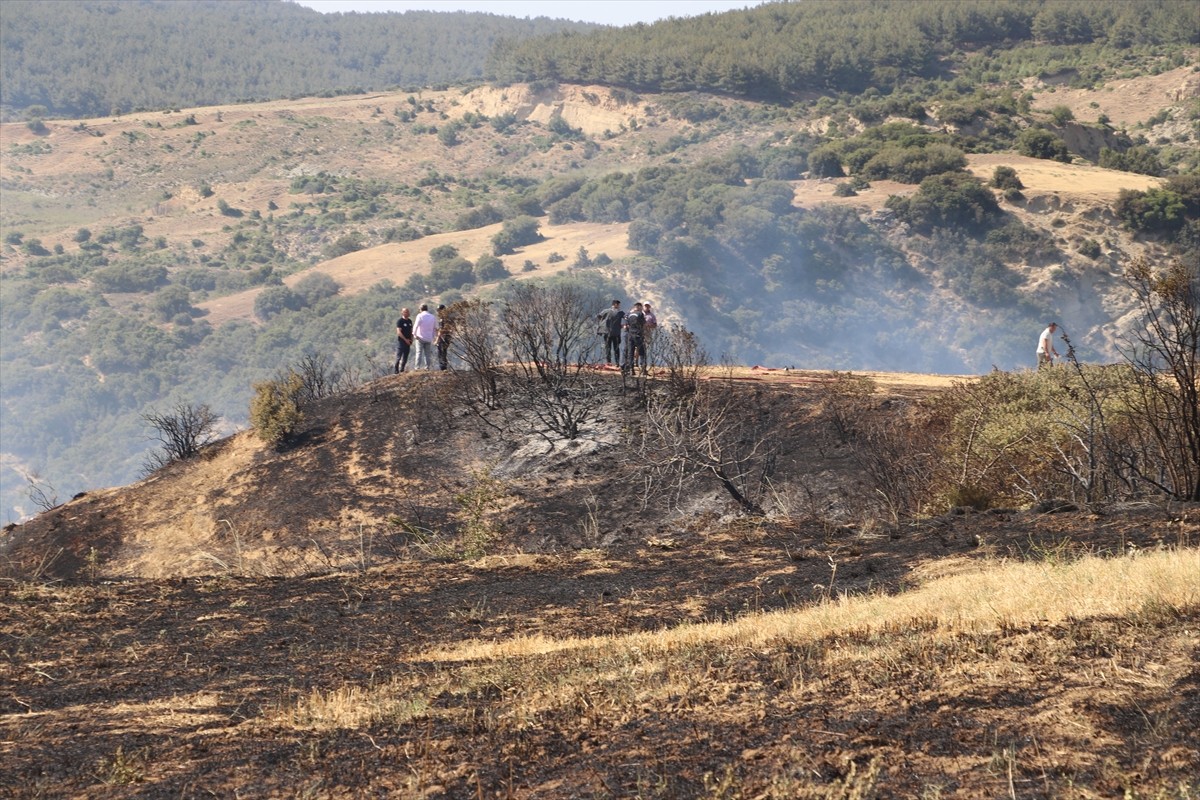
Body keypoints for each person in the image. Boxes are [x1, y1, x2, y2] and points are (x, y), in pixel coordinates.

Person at [597, 299, 625, 365]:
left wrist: (603, 324)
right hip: (616, 333)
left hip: (607, 332)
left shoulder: (606, 311)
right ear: (615, 304)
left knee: (608, 348)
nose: (619, 306)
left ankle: (608, 362)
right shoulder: (620, 312)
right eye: (618, 305)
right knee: (616, 348)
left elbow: (599, 316)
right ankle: (617, 363)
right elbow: (626, 318)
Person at [412, 303, 439, 370]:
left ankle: (417, 367)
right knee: (427, 354)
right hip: (429, 338)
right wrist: (434, 337)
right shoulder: (432, 317)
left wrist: (414, 334)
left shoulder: (420, 316)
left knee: (419, 352)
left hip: (420, 337)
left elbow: (416, 326)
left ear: (420, 309)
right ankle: (427, 367)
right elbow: (436, 327)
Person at [623, 301, 647, 374]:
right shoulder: (640, 314)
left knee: (630, 352)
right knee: (642, 352)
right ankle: (643, 369)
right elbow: (643, 323)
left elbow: (626, 325)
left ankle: (631, 370)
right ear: (639, 307)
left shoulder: (629, 314)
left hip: (630, 335)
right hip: (638, 334)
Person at [394, 307, 414, 374]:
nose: (407, 313)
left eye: (408, 312)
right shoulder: (400, 321)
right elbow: (399, 332)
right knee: (399, 357)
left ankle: (402, 369)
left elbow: (411, 331)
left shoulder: (410, 321)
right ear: (402, 312)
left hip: (408, 341)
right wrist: (405, 340)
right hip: (402, 341)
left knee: (405, 356)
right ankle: (396, 370)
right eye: (405, 312)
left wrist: (411, 339)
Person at [435, 303, 453, 371]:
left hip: (443, 337)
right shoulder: (448, 318)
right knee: (444, 351)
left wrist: (437, 340)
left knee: (441, 352)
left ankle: (442, 367)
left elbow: (441, 330)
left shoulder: (442, 319)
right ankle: (444, 366)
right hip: (448, 336)